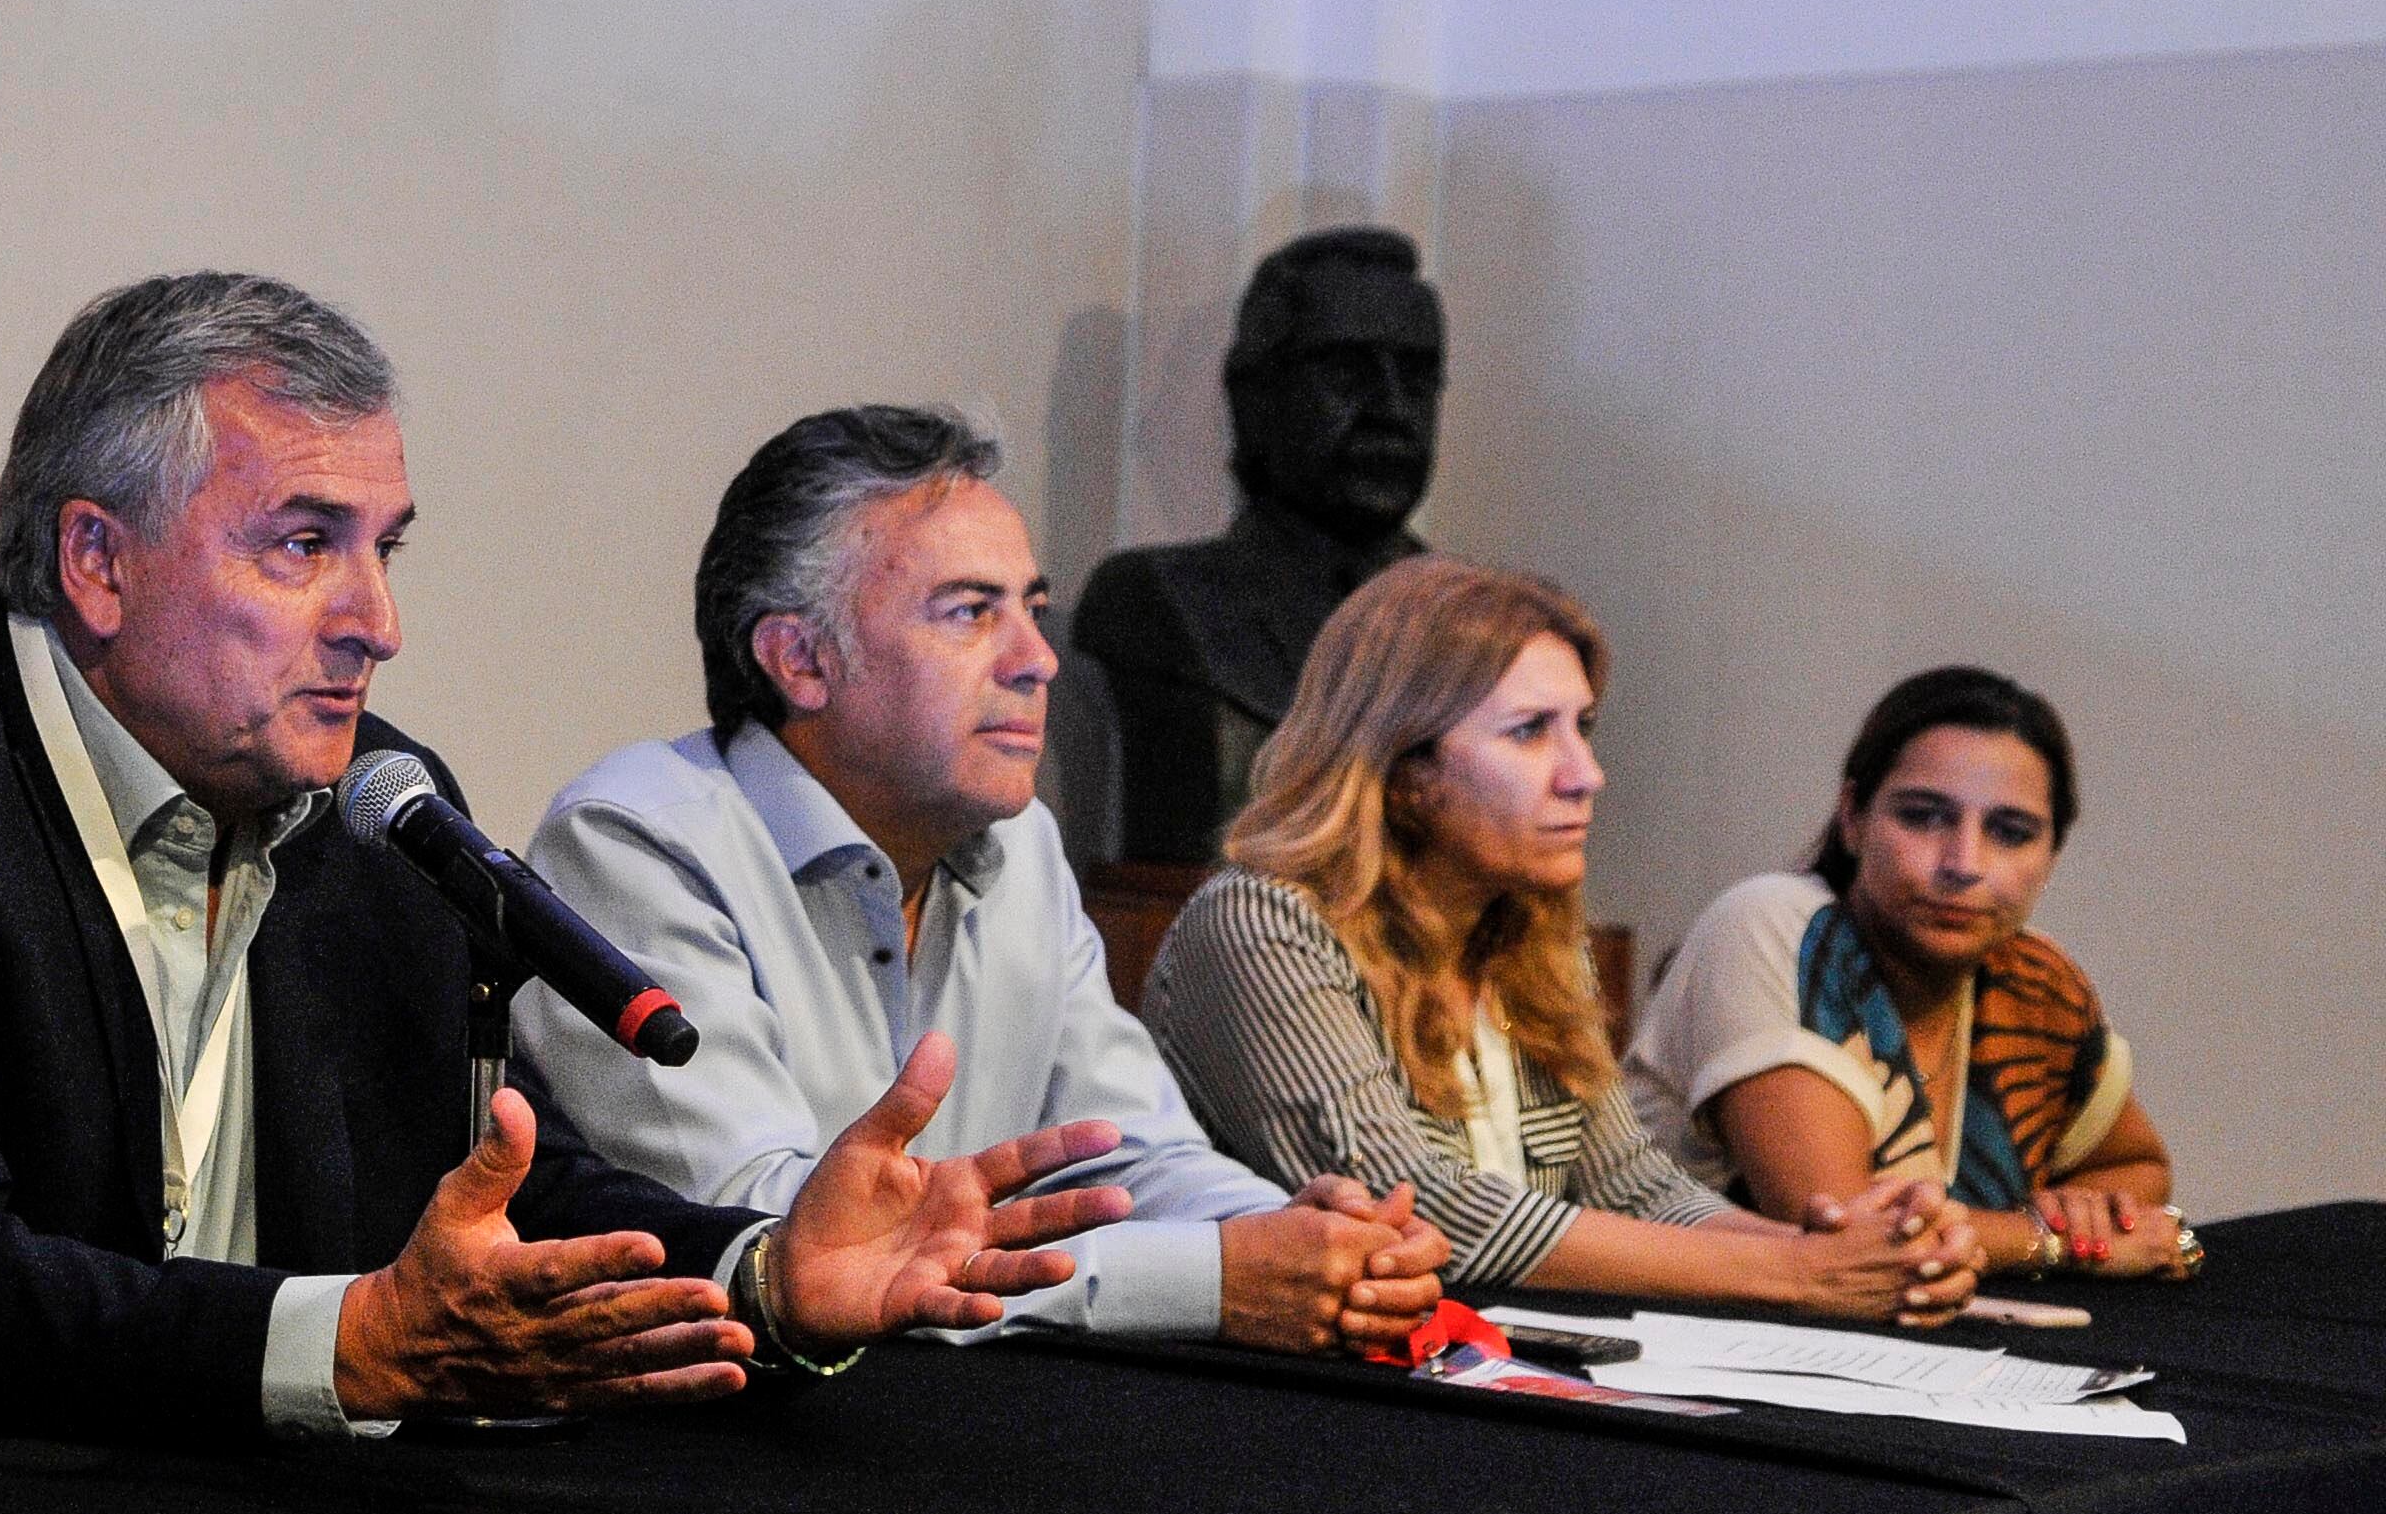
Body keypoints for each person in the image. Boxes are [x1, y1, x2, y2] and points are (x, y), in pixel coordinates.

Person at [0, 274, 1133, 1445]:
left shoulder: (378, 807)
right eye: (302, 545)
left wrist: (764, 1275)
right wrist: (345, 1347)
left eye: (384, 549)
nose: (376, 623)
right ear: (97, 562)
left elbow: (498, 1189)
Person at [520, 406, 1452, 1355]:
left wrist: (1312, 1241)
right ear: (801, 660)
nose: (1038, 661)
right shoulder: (634, 844)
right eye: (971, 612)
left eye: (1032, 611)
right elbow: (768, 1244)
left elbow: (1132, 1151)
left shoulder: (1022, 845)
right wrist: (1213, 1276)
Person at [1144, 557, 1981, 1320]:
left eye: (1584, 726)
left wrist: (1844, 1252)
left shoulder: (1525, 929)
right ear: (1403, 770)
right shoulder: (1262, 921)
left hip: (1488, 1363)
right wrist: (1796, 1273)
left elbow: (1631, 1186)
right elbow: (1420, 1208)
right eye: (1530, 731)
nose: (1586, 774)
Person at [1627, 666, 2188, 1282]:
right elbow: (1850, 1233)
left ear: (2052, 855)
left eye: (2011, 832)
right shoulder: (1773, 926)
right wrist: (2052, 1242)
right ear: (1852, 817)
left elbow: (2139, 1173)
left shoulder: (2034, 981)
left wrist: (2082, 1213)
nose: (1963, 864)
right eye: (1923, 817)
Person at [1073, 227, 1447, 863]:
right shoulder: (1154, 605)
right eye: (1346, 372)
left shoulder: (1480, 629)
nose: (1391, 409)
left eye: (1415, 379)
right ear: (1255, 398)